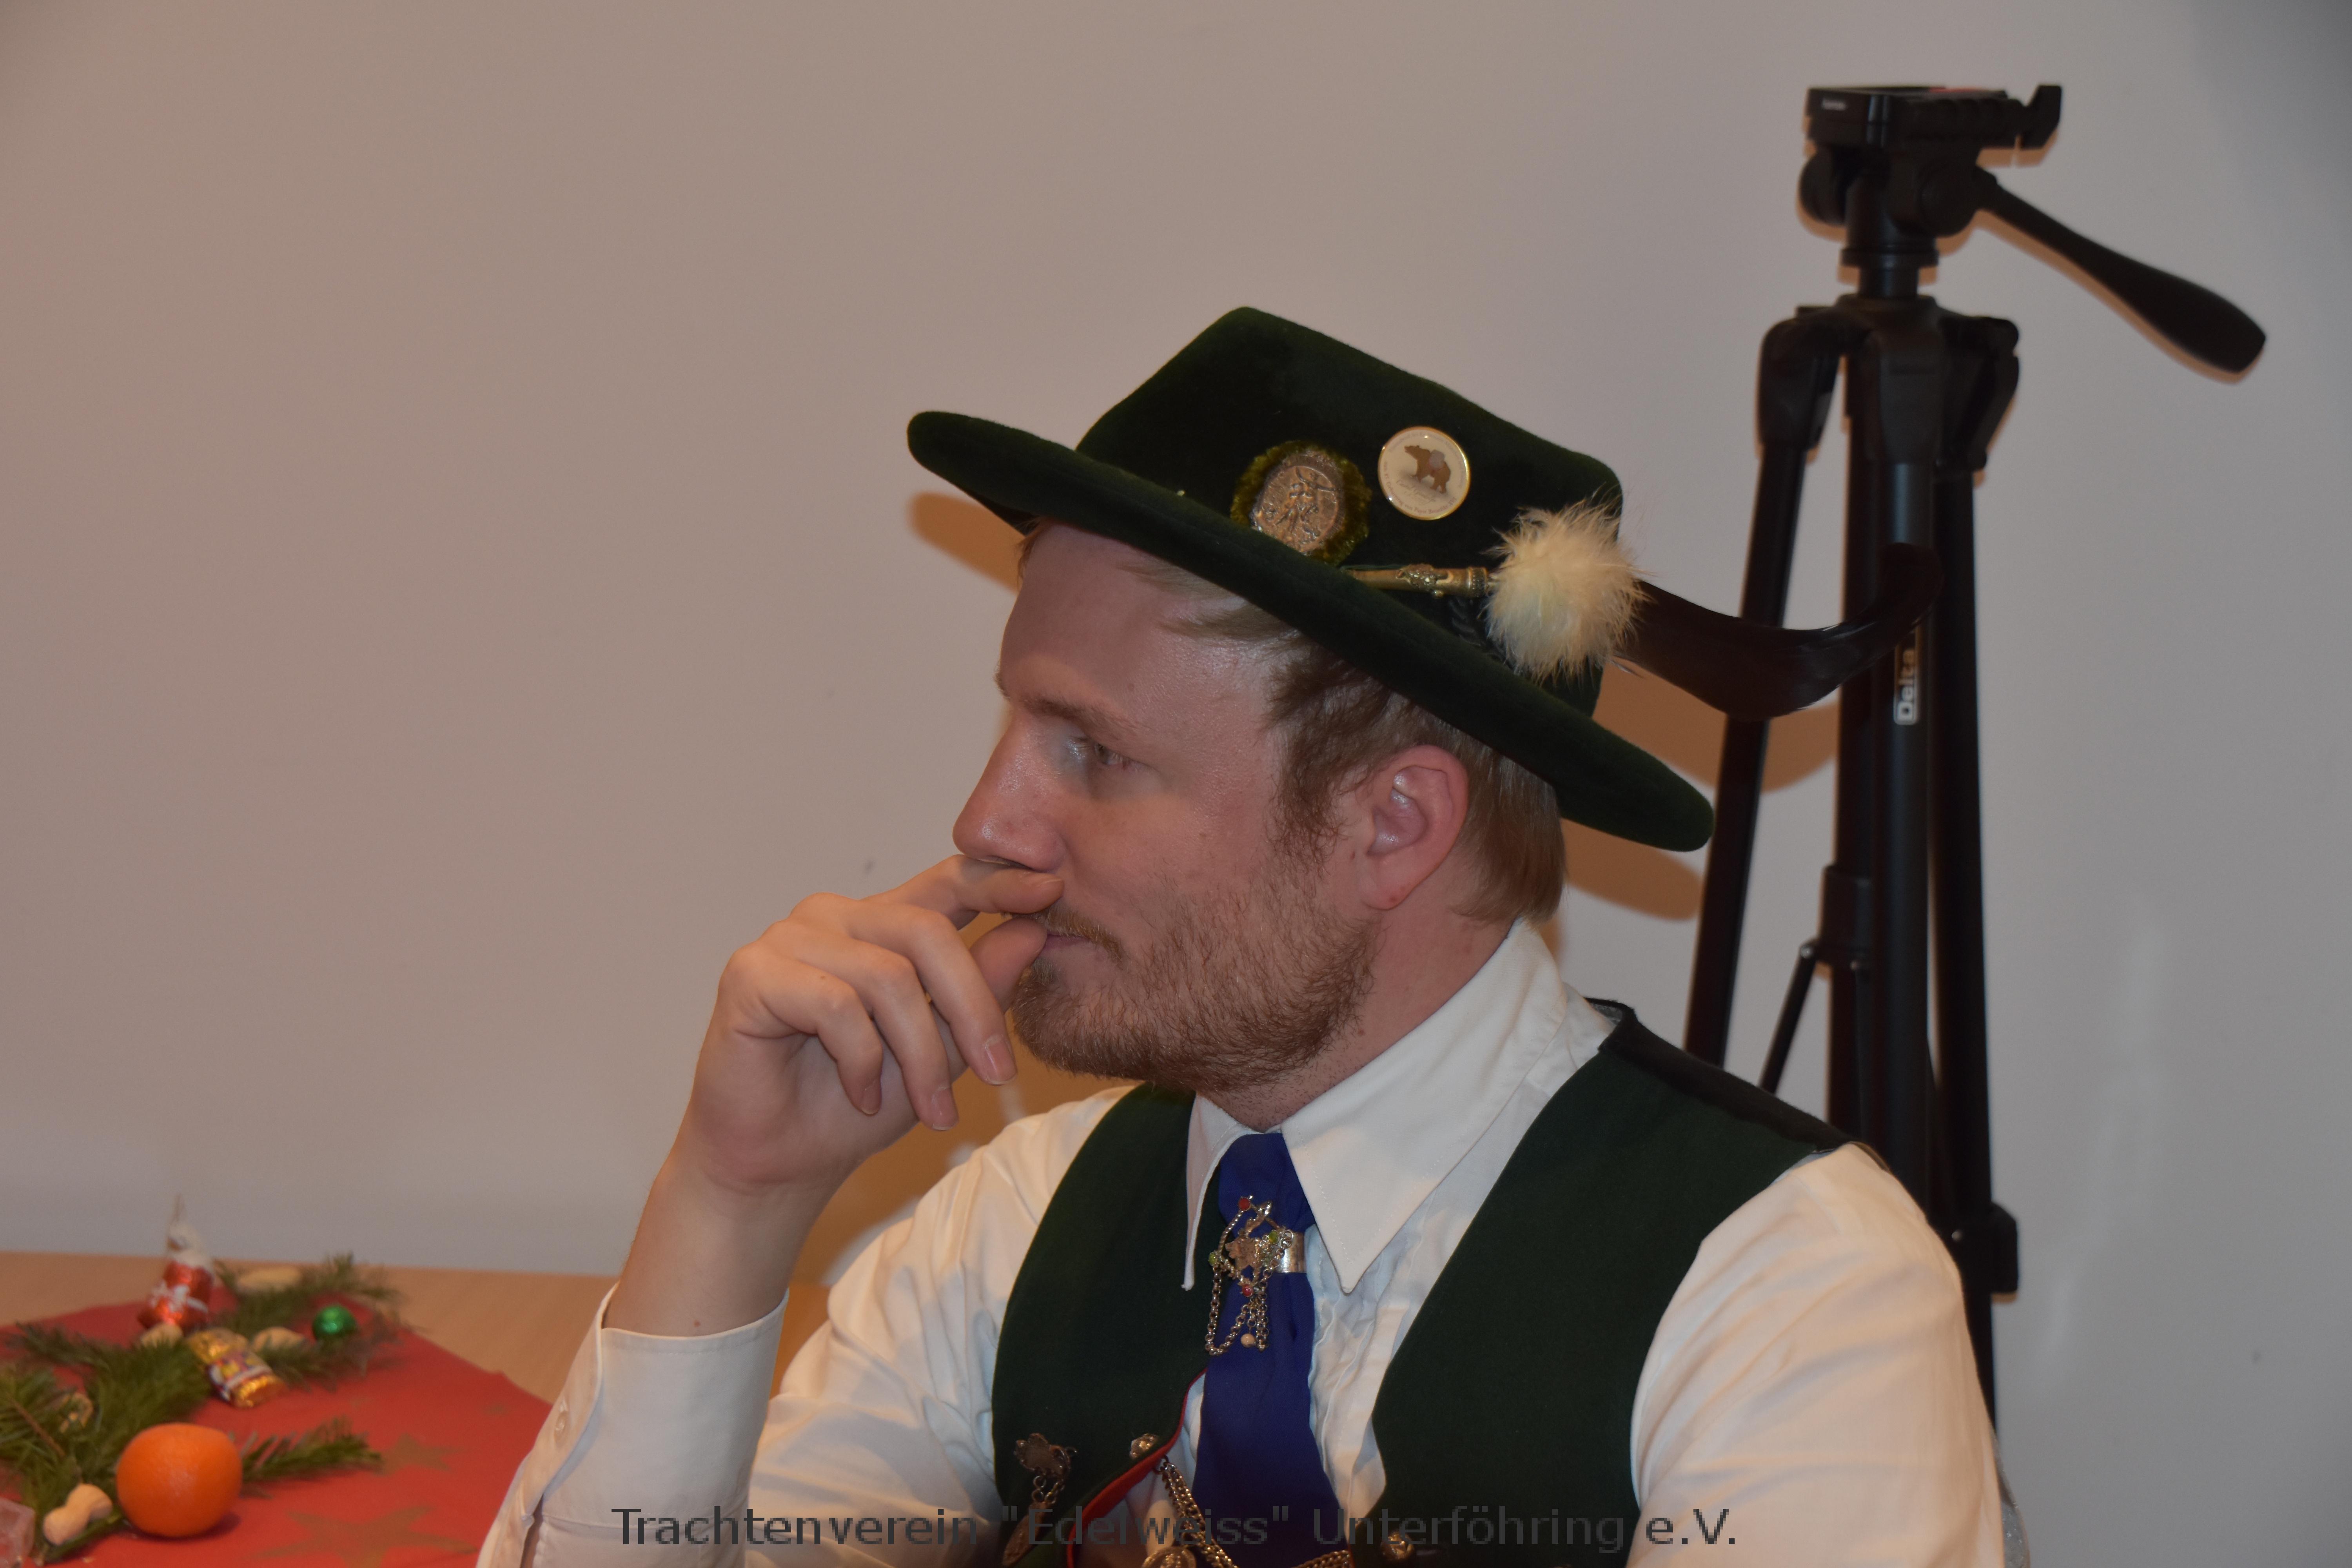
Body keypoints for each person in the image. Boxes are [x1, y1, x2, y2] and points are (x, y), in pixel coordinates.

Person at [480, 309, 2004, 1568]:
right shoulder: (1020, 1224)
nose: (987, 822)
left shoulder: (1786, 1299)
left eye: (1095, 752)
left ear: (1392, 825)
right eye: (1015, 727)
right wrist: (733, 1200)